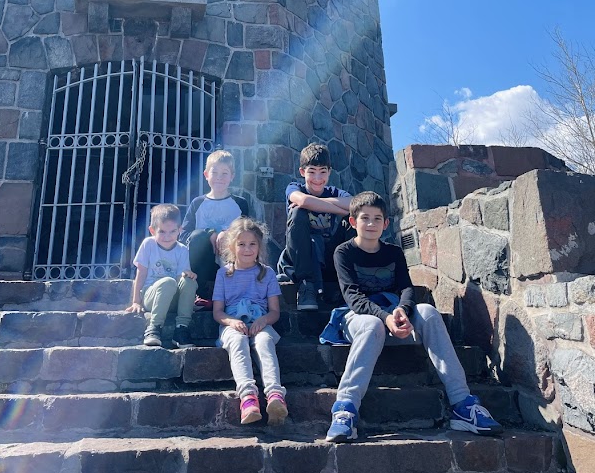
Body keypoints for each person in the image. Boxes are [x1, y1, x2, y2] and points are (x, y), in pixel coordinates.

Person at [326, 191, 503, 442]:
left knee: (429, 312)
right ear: (353, 222)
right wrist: (386, 317)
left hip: (394, 315)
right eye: (365, 218)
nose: (371, 224)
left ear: (386, 224)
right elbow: (353, 297)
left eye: (378, 219)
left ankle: (463, 404)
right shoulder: (343, 252)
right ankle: (345, 409)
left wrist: (402, 311)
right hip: (360, 319)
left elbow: (406, 288)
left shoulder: (394, 253)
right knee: (371, 325)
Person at [213, 217, 288, 426]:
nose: (247, 249)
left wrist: (263, 321)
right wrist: (230, 322)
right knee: (237, 342)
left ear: (259, 246)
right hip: (233, 323)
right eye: (241, 244)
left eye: (252, 244)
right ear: (231, 246)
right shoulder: (223, 274)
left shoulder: (267, 273)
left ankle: (275, 395)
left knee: (264, 342)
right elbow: (217, 312)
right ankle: (248, 398)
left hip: (261, 322)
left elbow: (275, 312)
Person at [277, 142, 353, 311]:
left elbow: (353, 204)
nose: (317, 178)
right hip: (302, 256)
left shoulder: (335, 192)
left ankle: (351, 282)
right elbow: (302, 200)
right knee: (298, 213)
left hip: (328, 255)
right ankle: (306, 286)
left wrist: (313, 203)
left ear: (329, 172)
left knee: (351, 220)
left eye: (322, 172)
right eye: (312, 172)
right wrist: (338, 209)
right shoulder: (294, 187)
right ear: (302, 172)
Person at [180, 150, 249, 309]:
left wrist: (227, 233)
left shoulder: (240, 204)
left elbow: (248, 233)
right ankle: (202, 293)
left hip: (230, 261)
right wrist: (209, 233)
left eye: (225, 173)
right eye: (215, 172)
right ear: (206, 174)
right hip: (204, 266)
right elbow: (184, 234)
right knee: (197, 236)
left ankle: (235, 292)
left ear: (232, 176)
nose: (219, 177)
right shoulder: (198, 203)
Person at [125, 203, 197, 348]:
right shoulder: (148, 245)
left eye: (172, 231)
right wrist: (136, 301)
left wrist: (187, 279)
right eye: (162, 232)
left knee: (189, 281)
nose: (167, 236)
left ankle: (182, 329)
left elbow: (179, 279)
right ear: (152, 230)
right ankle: (154, 328)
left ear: (179, 231)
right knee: (168, 282)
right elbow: (141, 273)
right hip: (151, 295)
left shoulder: (182, 250)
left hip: (171, 297)